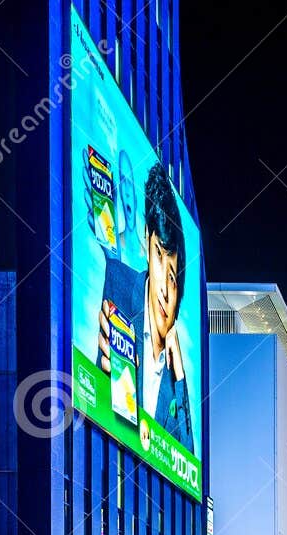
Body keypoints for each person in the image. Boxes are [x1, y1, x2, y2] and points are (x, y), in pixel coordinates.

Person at [94, 163, 194, 447]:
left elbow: (186, 459)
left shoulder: (174, 381)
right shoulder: (120, 285)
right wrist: (104, 384)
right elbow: (100, 404)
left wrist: (181, 376)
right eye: (159, 255)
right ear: (146, 244)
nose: (164, 288)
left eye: (173, 278)